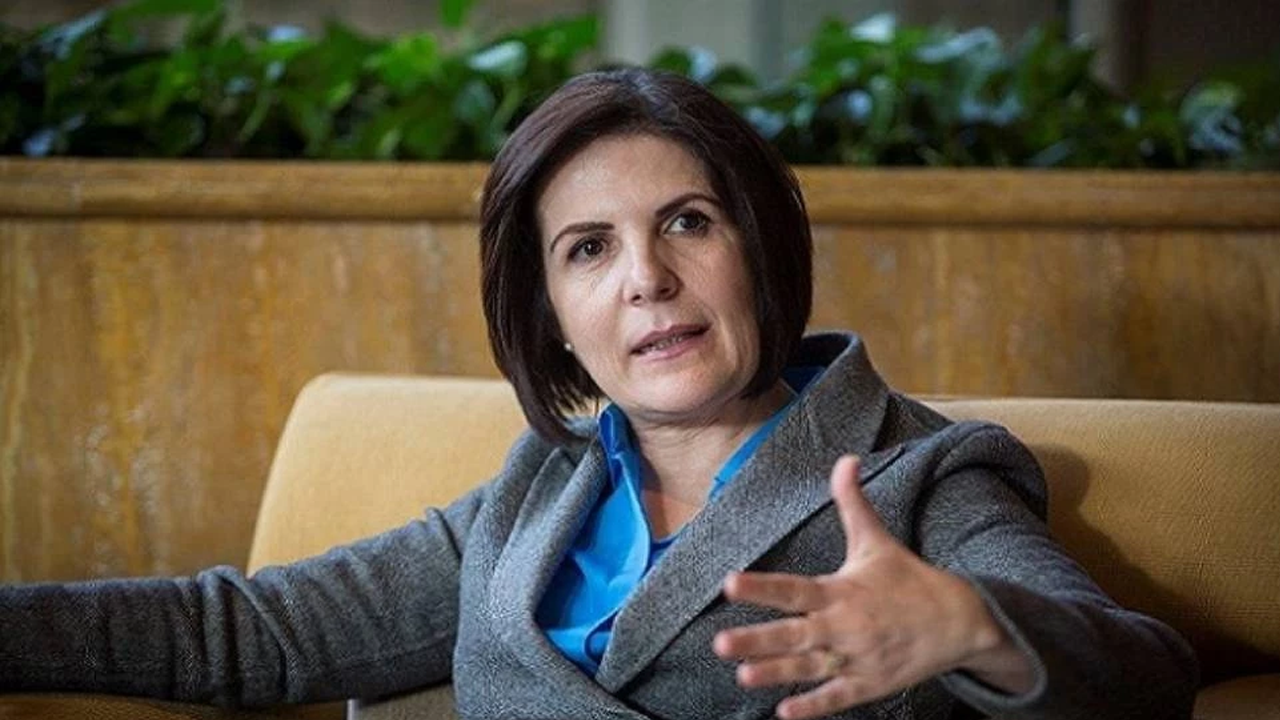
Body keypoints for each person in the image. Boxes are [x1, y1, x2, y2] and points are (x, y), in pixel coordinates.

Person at [1, 68, 1196, 719]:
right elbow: (247, 633)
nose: (645, 279)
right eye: (587, 249)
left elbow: (1144, 677)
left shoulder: (914, 475)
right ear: (553, 313)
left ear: (761, 249)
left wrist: (972, 629)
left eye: (688, 223)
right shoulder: (532, 495)